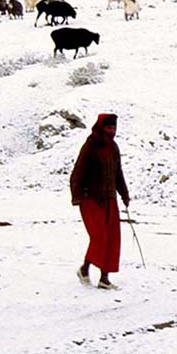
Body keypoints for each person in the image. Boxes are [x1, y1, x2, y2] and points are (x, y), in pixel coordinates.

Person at [71, 113, 130, 290]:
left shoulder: (114, 148)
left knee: (112, 238)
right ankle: (84, 269)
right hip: (91, 198)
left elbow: (118, 173)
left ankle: (104, 279)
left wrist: (124, 194)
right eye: (108, 128)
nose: (111, 131)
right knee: (100, 237)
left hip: (110, 198)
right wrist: (77, 196)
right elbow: (77, 173)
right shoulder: (90, 147)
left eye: (114, 128)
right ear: (100, 127)